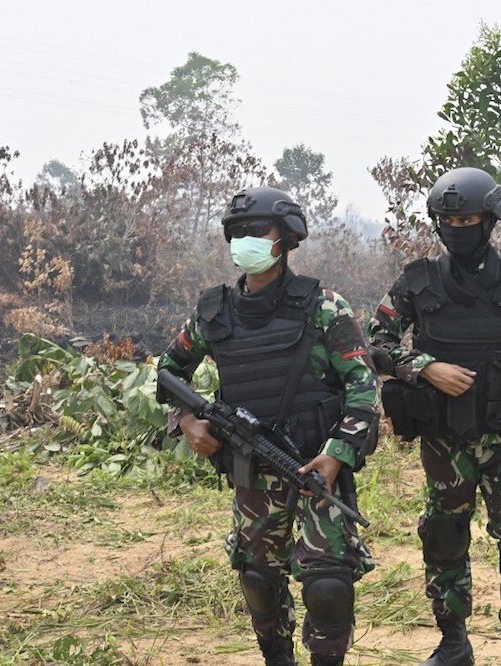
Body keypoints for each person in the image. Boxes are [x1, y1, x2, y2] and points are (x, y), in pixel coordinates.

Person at [156, 186, 379, 666]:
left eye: (257, 231)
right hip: (251, 472)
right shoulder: (213, 313)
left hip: (317, 471)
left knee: (327, 585)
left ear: (286, 238)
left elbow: (364, 388)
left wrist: (338, 454)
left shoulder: (325, 308)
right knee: (258, 580)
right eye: (237, 233)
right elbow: (168, 371)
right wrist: (188, 420)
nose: (245, 241)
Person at [367, 167, 501, 666]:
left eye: (469, 218)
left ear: (489, 221)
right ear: (438, 224)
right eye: (450, 219)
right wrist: (426, 367)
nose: (459, 227)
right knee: (443, 538)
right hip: (444, 438)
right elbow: (376, 343)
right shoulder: (416, 283)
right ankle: (454, 643)